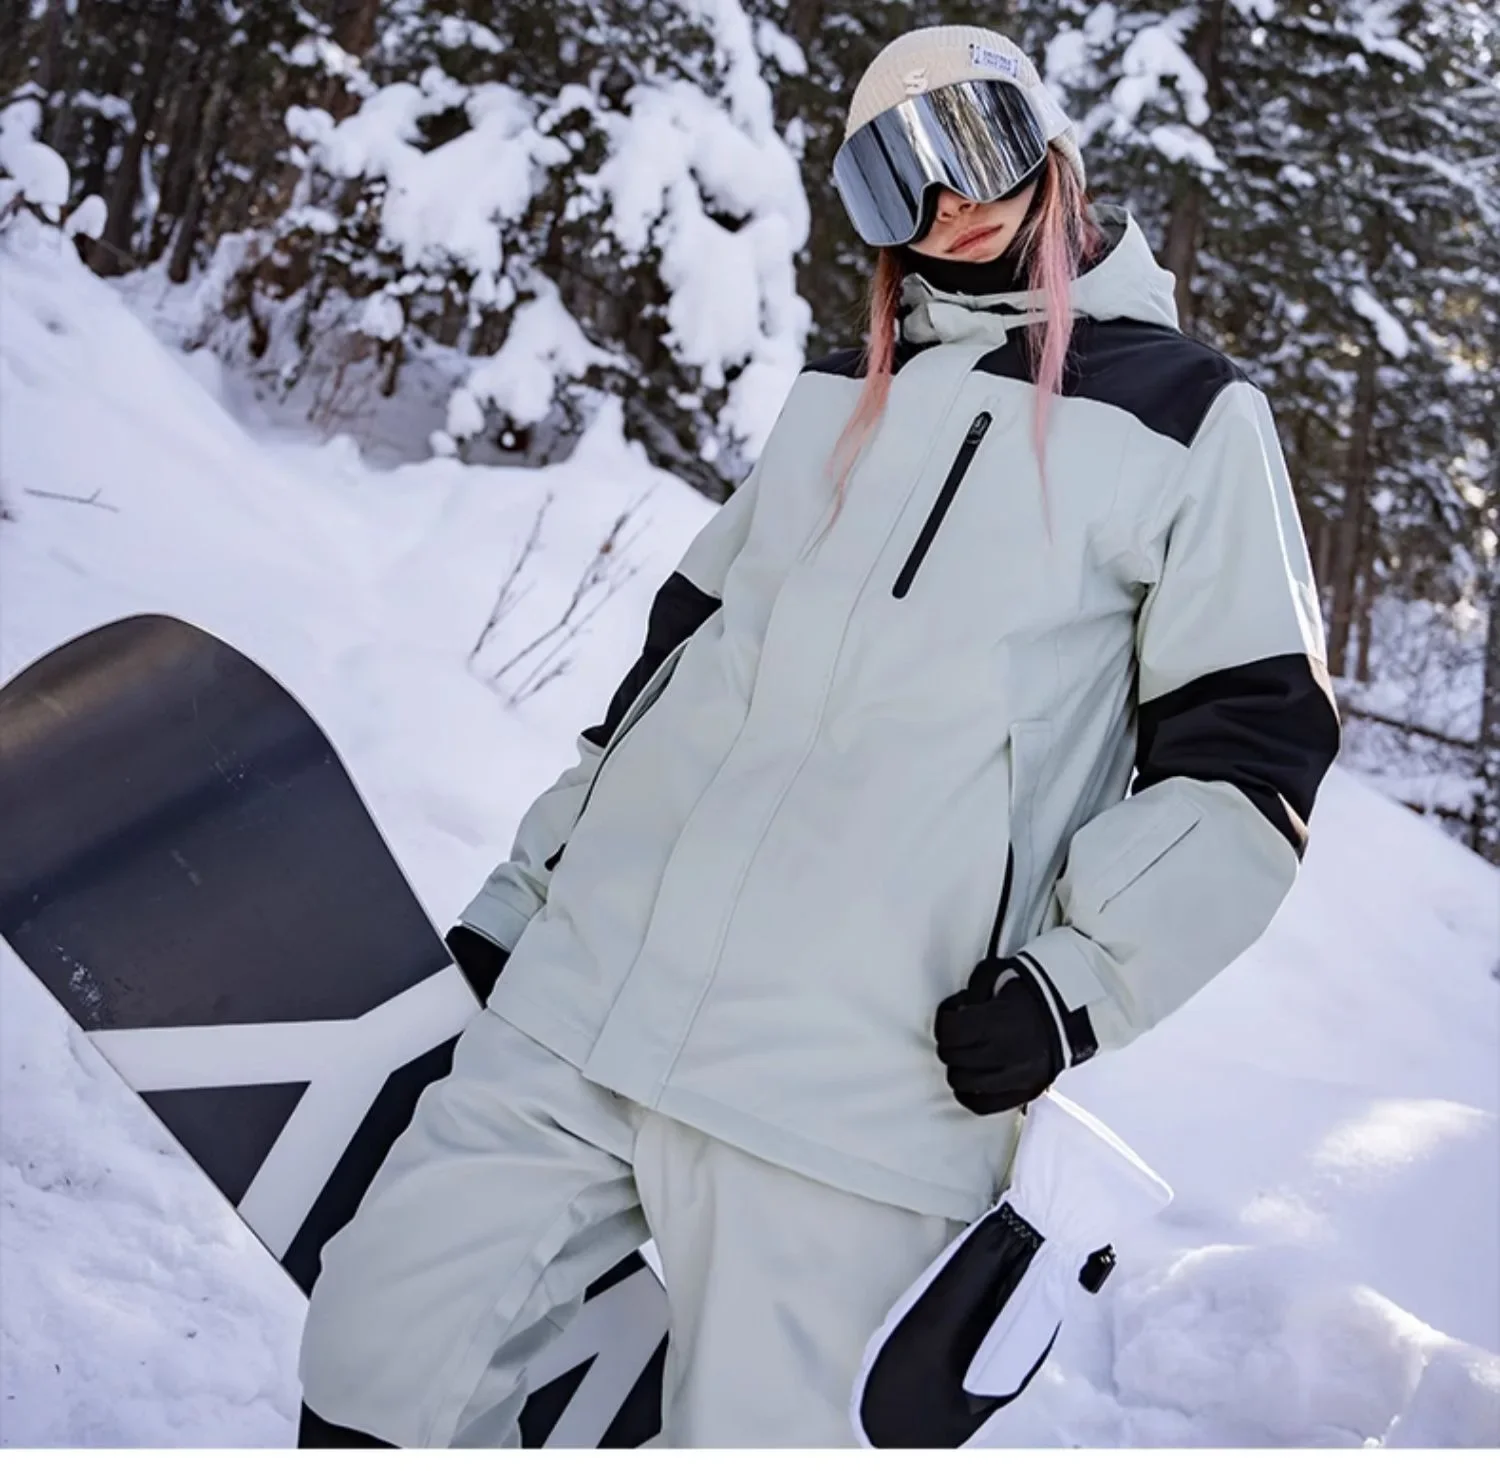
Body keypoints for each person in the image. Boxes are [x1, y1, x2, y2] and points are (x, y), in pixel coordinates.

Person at [297, 24, 1340, 1449]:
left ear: (1046, 144)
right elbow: (663, 697)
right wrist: (517, 906)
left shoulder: (1189, 416)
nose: (943, 203)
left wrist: (1073, 986)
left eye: (968, 145)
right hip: (591, 1006)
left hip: (859, 1089)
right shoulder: (832, 405)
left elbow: (1248, 763)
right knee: (373, 1354)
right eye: (887, 181)